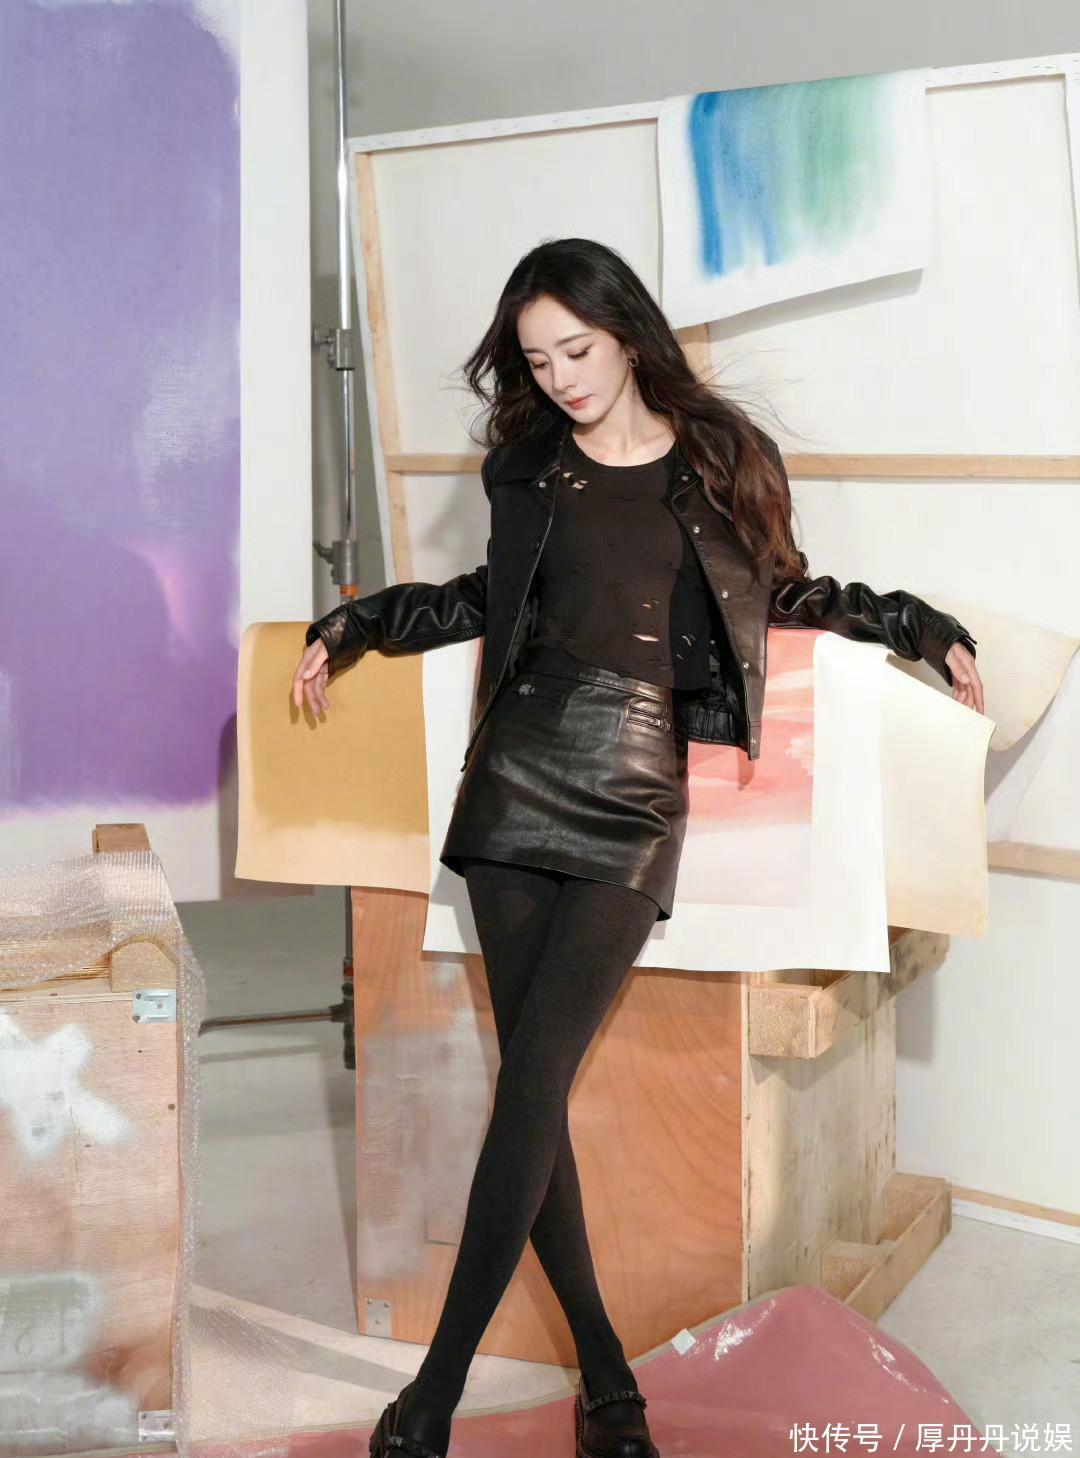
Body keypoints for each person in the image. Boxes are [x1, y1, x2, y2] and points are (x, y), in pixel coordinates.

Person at [291, 239, 984, 1458]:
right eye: (537, 360)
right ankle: (608, 1388)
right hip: (515, 775)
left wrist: (915, 623)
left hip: (633, 786)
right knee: (535, 1091)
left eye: (578, 349)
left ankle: (432, 1398)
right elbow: (489, 597)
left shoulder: (719, 458)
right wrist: (359, 623)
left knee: (532, 1083)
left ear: (627, 334)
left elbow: (783, 593)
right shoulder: (528, 467)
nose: (559, 377)